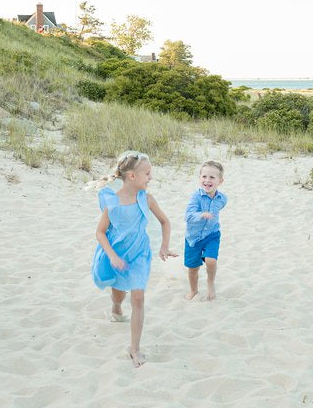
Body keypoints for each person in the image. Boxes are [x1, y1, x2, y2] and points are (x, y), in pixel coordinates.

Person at [91, 151, 175, 367]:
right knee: (118, 295)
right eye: (147, 173)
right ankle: (116, 307)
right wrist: (112, 256)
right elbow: (100, 232)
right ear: (132, 177)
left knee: (138, 298)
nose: (151, 177)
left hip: (139, 256)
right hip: (117, 255)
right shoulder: (112, 202)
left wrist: (164, 246)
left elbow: (165, 222)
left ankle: (134, 349)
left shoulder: (147, 199)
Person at [184, 161, 227, 301]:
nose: (207, 180)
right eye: (204, 176)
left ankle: (210, 283)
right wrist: (201, 214)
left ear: (220, 181)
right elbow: (188, 216)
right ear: (199, 178)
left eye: (212, 177)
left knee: (211, 260)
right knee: (193, 268)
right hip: (193, 238)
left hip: (212, 235)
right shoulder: (196, 197)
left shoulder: (222, 199)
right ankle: (193, 290)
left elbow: (221, 205)